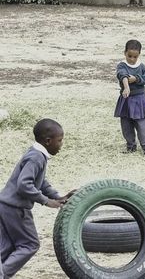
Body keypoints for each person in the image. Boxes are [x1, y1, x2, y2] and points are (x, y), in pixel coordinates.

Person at [0, 119, 75, 278]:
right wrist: (46, 201)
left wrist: (57, 196)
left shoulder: (36, 153)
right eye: (60, 140)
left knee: (7, 247)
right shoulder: (37, 158)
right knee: (30, 244)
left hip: (5, 205)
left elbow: (40, 182)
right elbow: (24, 184)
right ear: (48, 141)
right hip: (16, 208)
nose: (61, 144)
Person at [114, 39, 145, 156]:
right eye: (129, 56)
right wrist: (126, 87)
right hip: (126, 99)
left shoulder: (141, 66)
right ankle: (130, 145)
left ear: (139, 55)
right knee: (126, 125)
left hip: (139, 99)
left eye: (134, 57)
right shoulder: (122, 65)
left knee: (141, 125)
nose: (131, 59)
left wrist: (136, 78)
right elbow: (122, 75)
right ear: (124, 53)